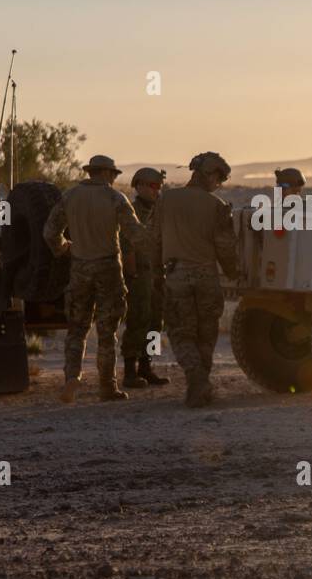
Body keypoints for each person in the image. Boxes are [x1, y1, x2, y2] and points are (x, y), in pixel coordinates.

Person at [43, 154, 145, 404]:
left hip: (79, 267)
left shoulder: (70, 196)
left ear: (90, 172)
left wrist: (63, 247)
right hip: (108, 267)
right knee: (107, 331)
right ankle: (107, 387)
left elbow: (49, 232)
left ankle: (71, 378)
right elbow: (136, 235)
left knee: (76, 329)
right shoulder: (115, 198)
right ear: (108, 174)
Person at [149, 152, 239, 407]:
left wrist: (156, 273)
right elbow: (225, 248)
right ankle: (201, 384)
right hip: (207, 277)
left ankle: (196, 381)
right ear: (209, 174)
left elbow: (153, 240)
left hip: (176, 276)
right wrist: (233, 273)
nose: (218, 184)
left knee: (180, 334)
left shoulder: (166, 200)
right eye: (219, 178)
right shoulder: (217, 206)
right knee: (206, 334)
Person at [121, 167, 169, 389]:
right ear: (139, 185)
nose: (156, 191)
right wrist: (132, 274)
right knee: (138, 320)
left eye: (158, 186)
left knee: (155, 322)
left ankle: (146, 365)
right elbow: (127, 244)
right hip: (139, 274)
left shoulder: (161, 211)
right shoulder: (132, 211)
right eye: (152, 186)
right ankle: (130, 371)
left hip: (157, 273)